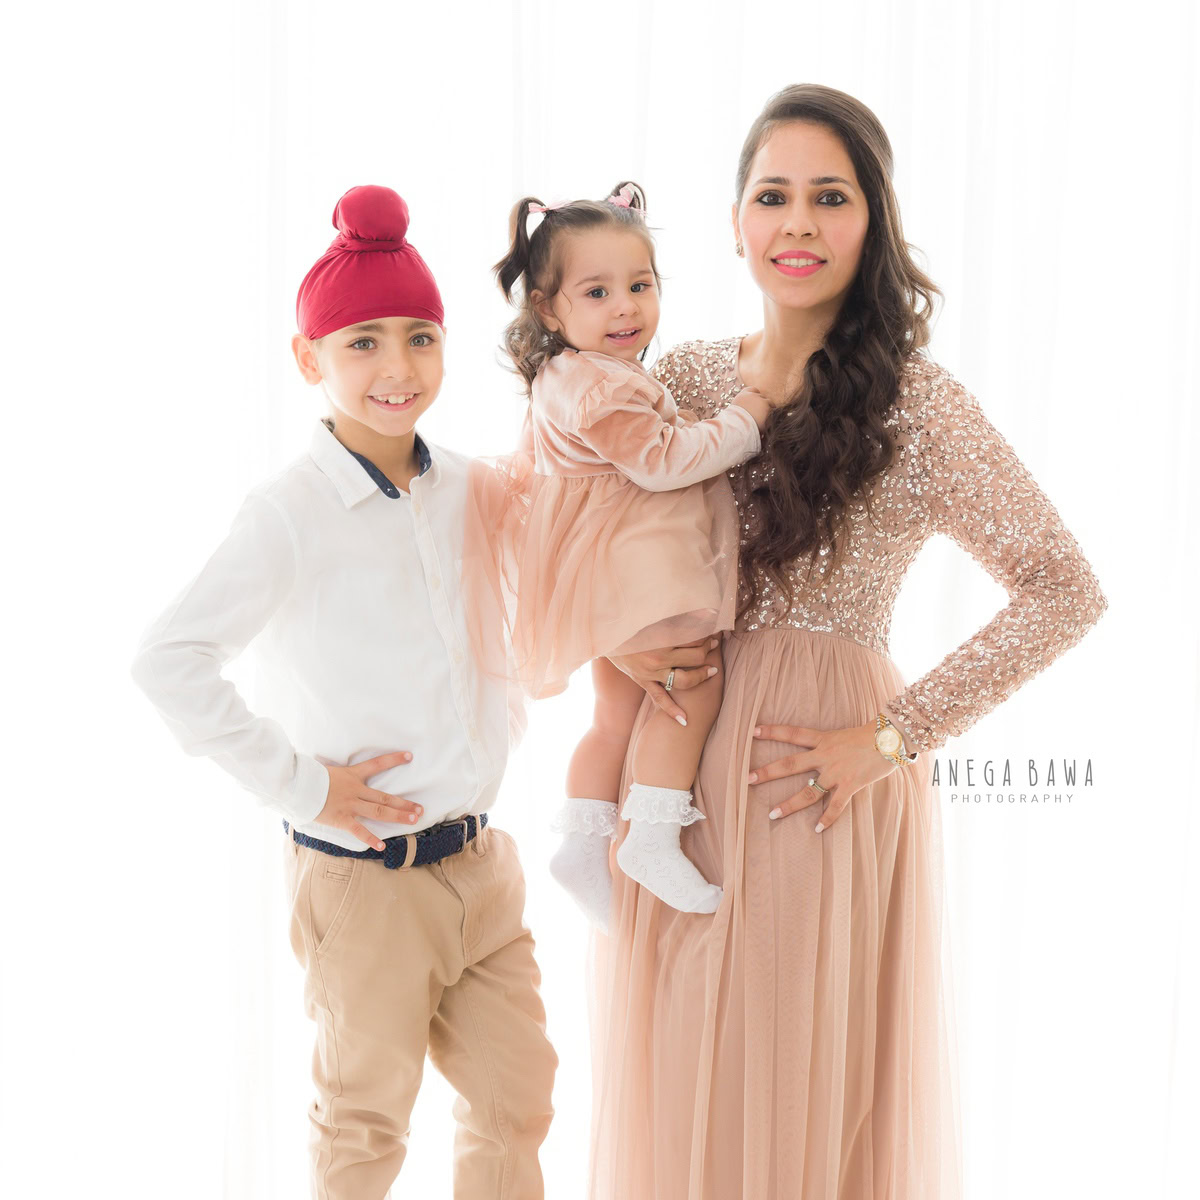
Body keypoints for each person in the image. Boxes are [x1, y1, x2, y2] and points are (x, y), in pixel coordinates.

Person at [586, 86, 1109, 1199]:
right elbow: (568, 528)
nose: (799, 224)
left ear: (873, 221)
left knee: (800, 1088)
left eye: (832, 196)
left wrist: (894, 738)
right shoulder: (675, 379)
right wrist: (612, 636)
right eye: (772, 196)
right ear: (733, 223)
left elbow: (1064, 588)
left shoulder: (918, 405)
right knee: (681, 1081)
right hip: (675, 775)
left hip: (813, 775)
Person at [129, 184, 557, 1199]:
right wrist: (304, 786)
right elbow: (169, 659)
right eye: (362, 343)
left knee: (516, 1097)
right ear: (308, 359)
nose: (397, 368)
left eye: (420, 338)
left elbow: (557, 577)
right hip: (364, 882)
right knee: (365, 1124)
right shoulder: (289, 514)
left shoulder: (472, 486)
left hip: (481, 865)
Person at [462, 181, 772, 924]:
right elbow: (663, 460)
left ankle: (581, 836)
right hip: (639, 568)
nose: (626, 307)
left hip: (603, 575)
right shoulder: (600, 388)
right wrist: (745, 416)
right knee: (691, 685)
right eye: (597, 292)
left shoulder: (569, 377)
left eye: (640, 285)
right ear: (548, 309)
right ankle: (652, 835)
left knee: (618, 713)